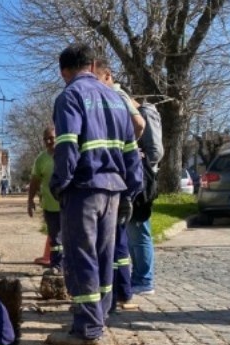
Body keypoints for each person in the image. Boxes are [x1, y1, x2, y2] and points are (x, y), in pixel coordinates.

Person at [46, 43, 143, 345]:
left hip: (84, 189)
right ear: (92, 65)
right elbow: (131, 151)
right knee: (104, 258)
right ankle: (97, 319)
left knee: (81, 257)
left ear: (65, 71)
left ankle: (86, 330)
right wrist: (131, 190)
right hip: (114, 190)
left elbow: (67, 146)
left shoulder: (70, 96)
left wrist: (60, 183)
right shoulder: (116, 99)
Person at [93, 58, 143, 311]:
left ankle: (113, 298)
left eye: (96, 78)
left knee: (111, 243)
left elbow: (139, 125)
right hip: (121, 180)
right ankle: (121, 294)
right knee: (117, 243)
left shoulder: (115, 95)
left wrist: (124, 148)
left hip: (118, 180)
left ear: (107, 76)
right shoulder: (113, 96)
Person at [129, 99, 164, 295]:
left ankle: (144, 279)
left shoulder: (144, 112)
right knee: (132, 232)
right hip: (134, 177)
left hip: (142, 179)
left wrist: (144, 164)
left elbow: (156, 150)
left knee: (139, 230)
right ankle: (138, 276)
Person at [28, 126, 62, 272]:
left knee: (70, 238)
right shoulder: (41, 159)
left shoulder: (67, 154)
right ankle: (56, 266)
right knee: (55, 238)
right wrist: (30, 201)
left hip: (69, 206)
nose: (49, 141)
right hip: (50, 206)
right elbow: (35, 181)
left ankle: (69, 267)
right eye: (46, 139)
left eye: (52, 137)